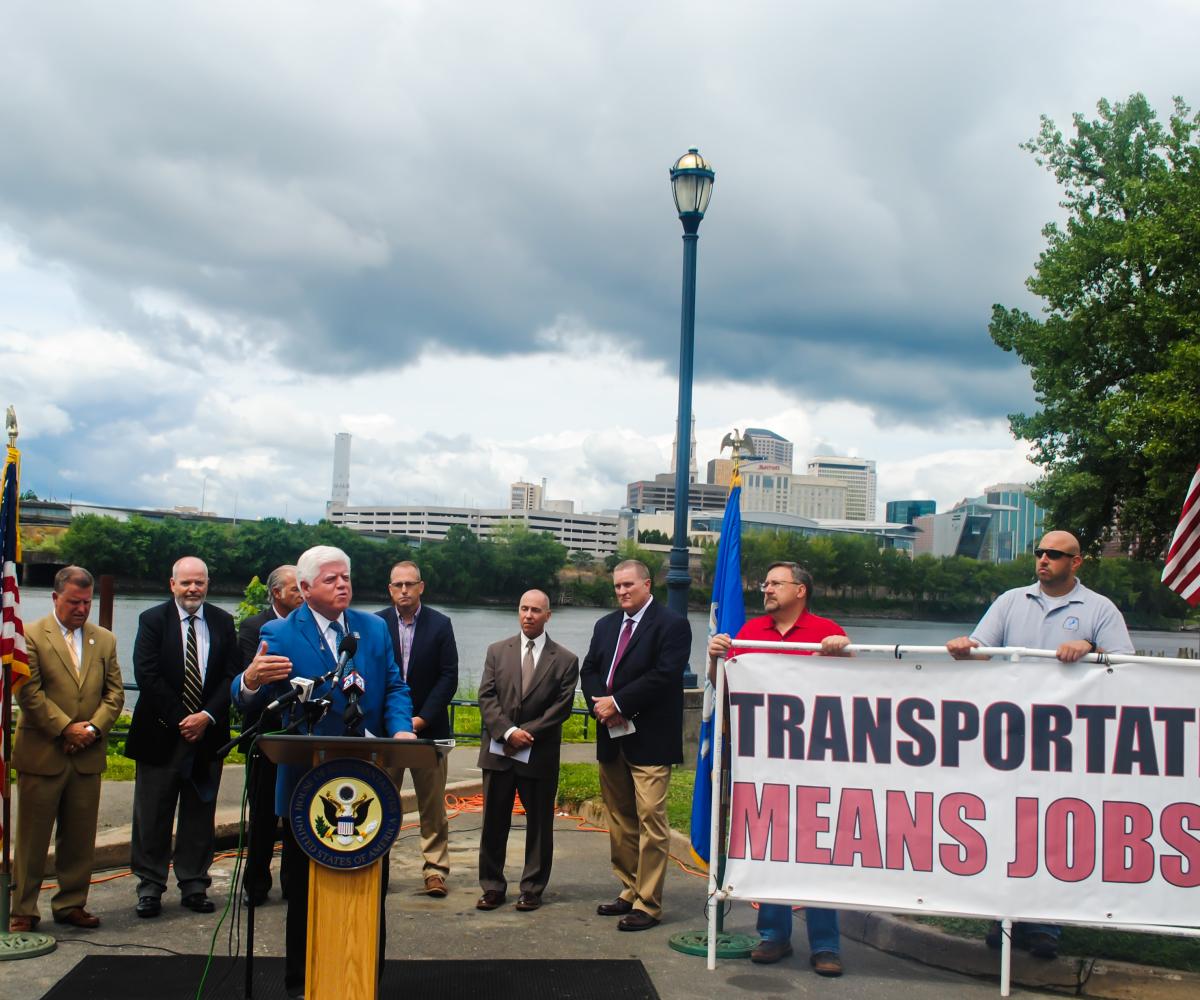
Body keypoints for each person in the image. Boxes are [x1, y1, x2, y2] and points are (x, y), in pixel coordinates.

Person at [233, 545, 414, 999]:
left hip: (368, 779)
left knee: (371, 881)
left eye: (346, 577)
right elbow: (245, 699)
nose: (343, 585)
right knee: (304, 887)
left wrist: (400, 730)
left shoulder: (373, 629)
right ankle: (301, 983)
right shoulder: (279, 631)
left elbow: (393, 685)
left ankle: (367, 980)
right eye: (331, 578)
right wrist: (251, 680)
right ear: (305, 587)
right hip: (305, 784)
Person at [946, 529, 1134, 960]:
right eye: (1040, 552)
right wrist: (965, 647)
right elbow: (981, 647)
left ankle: (1046, 922)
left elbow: (1126, 662)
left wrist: (1089, 646)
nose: (1044, 559)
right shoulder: (1012, 600)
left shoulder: (1098, 608)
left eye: (1055, 554)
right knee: (1009, 821)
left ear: (1076, 562)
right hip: (1010, 732)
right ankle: (1005, 916)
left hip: (1068, 739)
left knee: (1056, 824)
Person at [708, 561, 852, 978]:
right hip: (762, 759)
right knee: (769, 840)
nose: (765, 589)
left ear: (800, 590)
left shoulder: (827, 629)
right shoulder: (749, 633)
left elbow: (858, 685)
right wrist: (718, 659)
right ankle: (773, 934)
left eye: (774, 583)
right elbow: (726, 687)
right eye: (764, 582)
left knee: (818, 846)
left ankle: (826, 943)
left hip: (816, 760)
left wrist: (844, 650)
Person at [10, 566, 124, 932]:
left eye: (87, 602)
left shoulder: (103, 639)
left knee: (79, 837)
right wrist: (65, 728)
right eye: (74, 602)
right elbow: (28, 691)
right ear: (55, 597)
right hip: (43, 753)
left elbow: (115, 693)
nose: (81, 609)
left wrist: (91, 728)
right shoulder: (29, 636)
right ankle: (23, 909)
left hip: (87, 755)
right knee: (32, 839)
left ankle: (71, 903)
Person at [126, 556, 240, 918]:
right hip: (161, 734)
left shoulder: (222, 622)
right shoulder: (152, 620)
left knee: (198, 815)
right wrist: (183, 719)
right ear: (172, 584)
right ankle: (150, 887)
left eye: (200, 582)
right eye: (186, 583)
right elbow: (147, 675)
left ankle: (194, 883)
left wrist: (205, 717)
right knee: (152, 815)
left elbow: (230, 676)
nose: (193, 589)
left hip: (206, 737)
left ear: (208, 584)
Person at [579, 559, 690, 931]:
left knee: (651, 821)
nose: (622, 592)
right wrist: (601, 704)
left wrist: (620, 703)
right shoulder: (605, 625)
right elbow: (590, 668)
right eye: (617, 587)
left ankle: (649, 903)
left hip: (651, 739)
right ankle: (628, 888)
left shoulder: (672, 625)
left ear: (647, 584)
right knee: (621, 820)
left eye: (629, 585)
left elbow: (665, 675)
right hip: (611, 736)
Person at [475, 590, 580, 912]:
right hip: (499, 752)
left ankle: (532, 888)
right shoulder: (496, 651)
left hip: (539, 754)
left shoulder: (565, 660)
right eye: (524, 608)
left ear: (548, 615)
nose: (528, 615)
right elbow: (486, 696)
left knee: (538, 825)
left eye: (536, 610)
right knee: (493, 822)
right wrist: (507, 731)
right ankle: (492, 887)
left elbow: (561, 708)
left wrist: (527, 733)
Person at [376, 560, 458, 897]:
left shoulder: (440, 624)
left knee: (432, 805)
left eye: (410, 584)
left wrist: (421, 718)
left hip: (429, 729)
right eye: (398, 585)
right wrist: (394, 721)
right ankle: (376, 866)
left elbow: (449, 676)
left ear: (421, 587)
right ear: (390, 589)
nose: (404, 591)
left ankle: (435, 870)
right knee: (380, 801)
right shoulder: (376, 624)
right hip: (386, 732)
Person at [235, 564, 303, 907]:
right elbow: (253, 678)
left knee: (295, 814)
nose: (302, 596)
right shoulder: (254, 627)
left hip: (299, 738)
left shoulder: (309, 628)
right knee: (261, 817)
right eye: (295, 590)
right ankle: (256, 885)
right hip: (264, 736)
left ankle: (294, 883)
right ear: (277, 593)